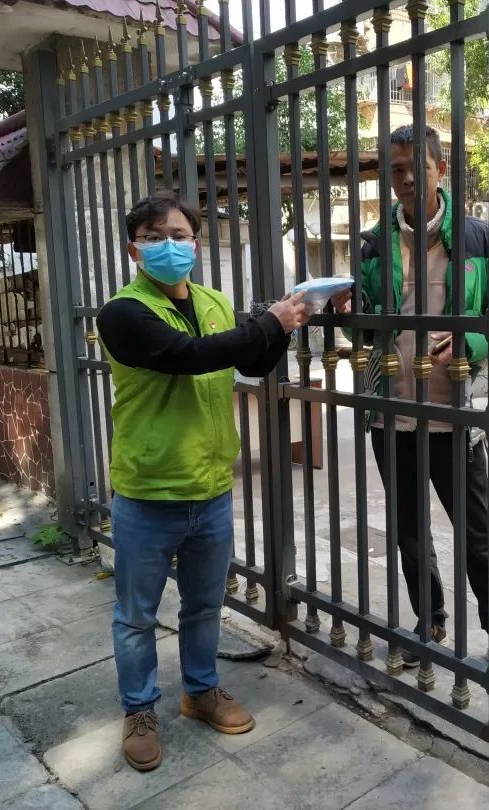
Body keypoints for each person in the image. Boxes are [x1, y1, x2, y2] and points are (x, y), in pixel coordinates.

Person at [96, 192, 309, 772]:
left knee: (204, 606)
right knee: (136, 616)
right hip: (149, 491)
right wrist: (268, 321)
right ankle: (139, 710)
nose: (169, 245)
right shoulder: (122, 312)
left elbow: (252, 362)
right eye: (154, 237)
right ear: (133, 249)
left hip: (210, 488)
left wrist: (286, 325)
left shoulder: (213, 301)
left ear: (195, 243)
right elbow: (187, 355)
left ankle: (200, 690)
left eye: (180, 235)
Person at [332, 126, 489, 680]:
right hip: (390, 412)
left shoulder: (480, 240)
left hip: (457, 416)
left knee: (479, 536)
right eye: (395, 169)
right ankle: (431, 622)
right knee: (410, 532)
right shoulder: (373, 245)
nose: (406, 179)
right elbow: (366, 328)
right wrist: (349, 314)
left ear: (441, 168)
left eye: (416, 166)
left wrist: (470, 344)